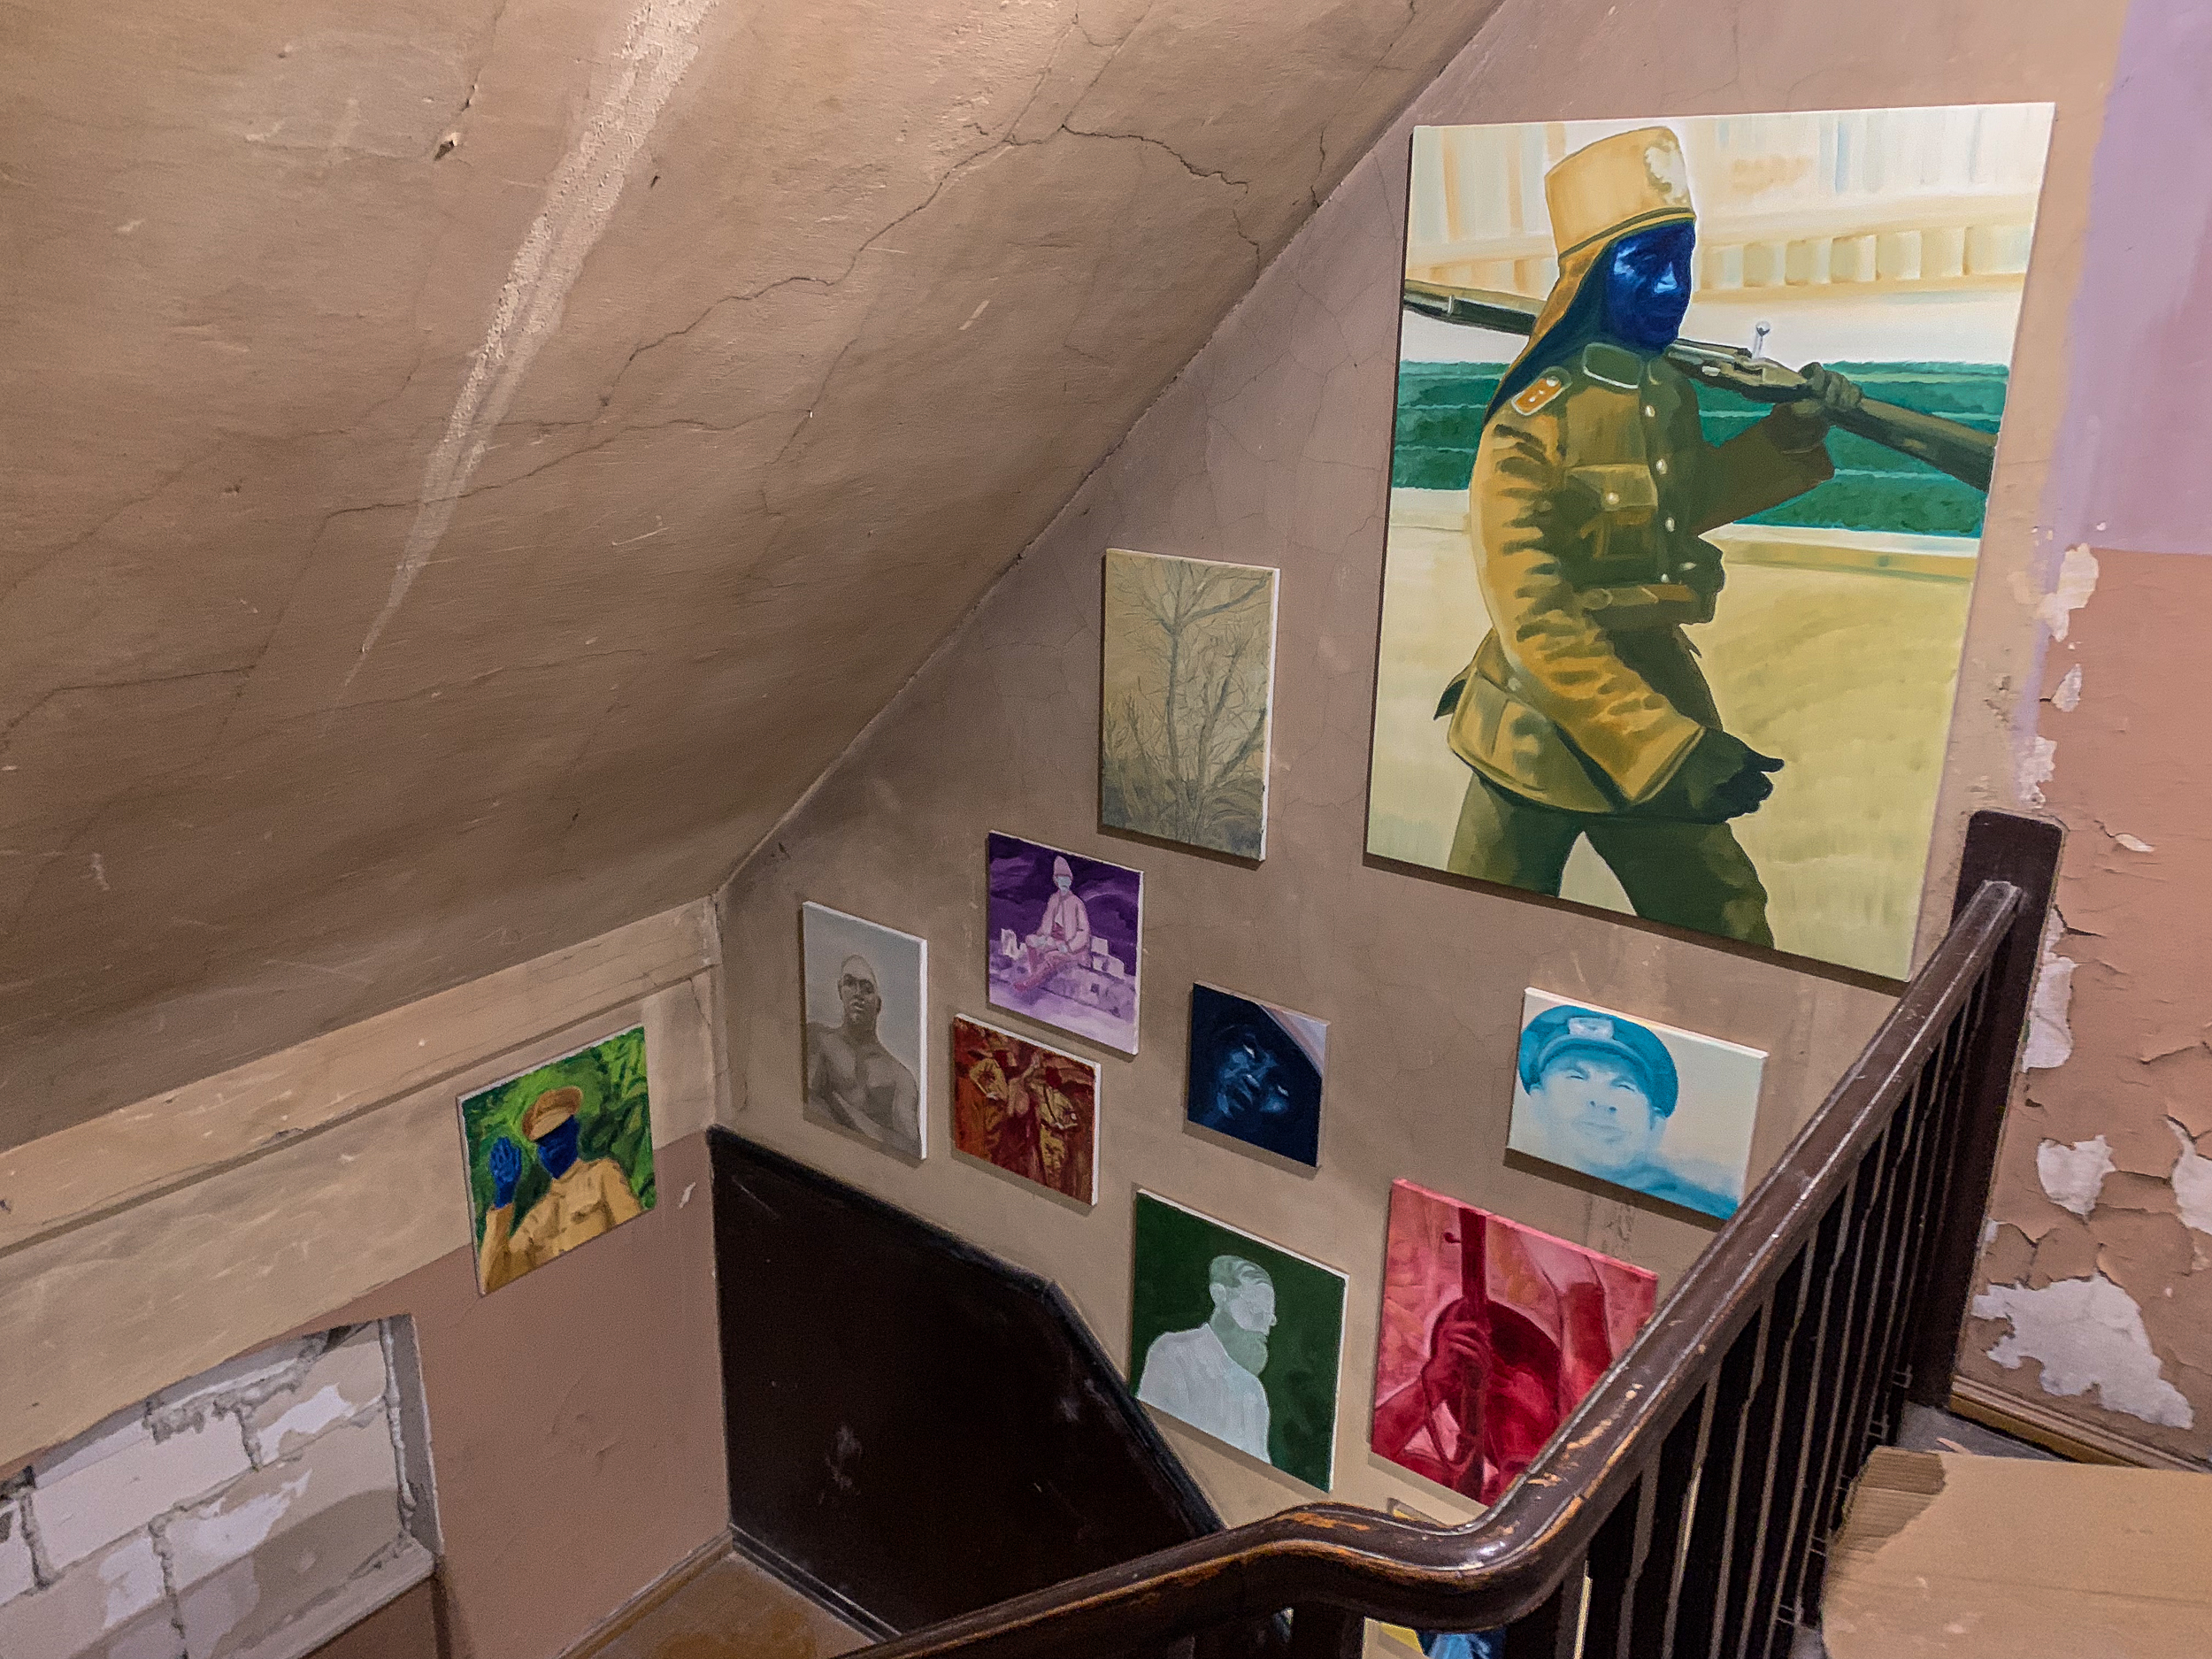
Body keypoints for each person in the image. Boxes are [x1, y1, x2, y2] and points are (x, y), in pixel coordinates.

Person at [1435, 127, 1865, 947]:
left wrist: (1791, 435)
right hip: (1537, 730)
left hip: (1654, 692)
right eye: (1647, 262)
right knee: (1471, 935)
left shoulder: (1664, 393)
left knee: (1729, 928)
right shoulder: (1531, 422)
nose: (1674, 286)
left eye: (1684, 258)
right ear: (1591, 277)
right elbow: (1536, 621)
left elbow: (1680, 507)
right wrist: (1669, 748)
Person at [1515, 1004, 1738, 1218]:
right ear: (1538, 1099)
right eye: (1576, 1077)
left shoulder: (1698, 1209)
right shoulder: (1518, 1189)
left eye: (1624, 1086)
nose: (1601, 1101)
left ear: (1655, 1123)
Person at [478, 1085, 643, 1293]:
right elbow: (492, 1283)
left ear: (574, 1130)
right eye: (543, 1142)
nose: (552, 1146)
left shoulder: (602, 1174)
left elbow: (637, 1234)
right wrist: (504, 1195)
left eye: (558, 1132)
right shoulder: (536, 1219)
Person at [1136, 1255, 1277, 1463]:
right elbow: (1150, 1436)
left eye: (1269, 1318)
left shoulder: (1253, 1390)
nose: (1264, 1327)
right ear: (1220, 1295)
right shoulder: (1173, 1353)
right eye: (1255, 1310)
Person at [805, 952, 923, 1156]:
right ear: (840, 990)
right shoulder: (818, 1038)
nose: (858, 994)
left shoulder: (900, 1077)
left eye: (867, 989)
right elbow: (807, 1102)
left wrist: (842, 1107)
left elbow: (910, 1148)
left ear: (878, 1004)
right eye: (850, 983)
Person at [1013, 856, 1092, 989]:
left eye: (1066, 879)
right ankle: (1035, 975)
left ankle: (1030, 982)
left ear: (1070, 880)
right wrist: (1042, 937)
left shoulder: (1077, 903)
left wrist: (1068, 946)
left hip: (1072, 948)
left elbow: (1084, 932)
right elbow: (1046, 924)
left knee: (1051, 956)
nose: (1064, 882)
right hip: (1054, 941)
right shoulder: (1053, 899)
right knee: (1031, 940)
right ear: (1056, 880)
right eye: (1061, 879)